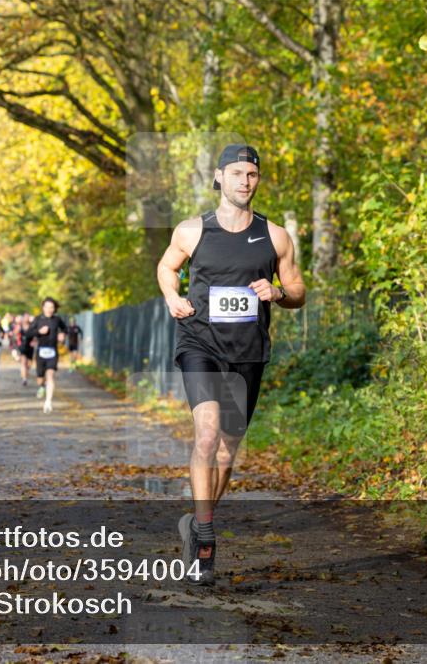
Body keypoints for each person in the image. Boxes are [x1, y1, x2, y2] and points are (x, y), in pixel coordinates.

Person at [157, 144, 305, 586]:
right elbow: (167, 267)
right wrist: (172, 297)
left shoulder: (275, 236)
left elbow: (297, 290)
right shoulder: (192, 230)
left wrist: (278, 294)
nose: (245, 180)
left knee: (226, 450)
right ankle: (205, 541)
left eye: (252, 174)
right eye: (237, 172)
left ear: (258, 180)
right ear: (219, 177)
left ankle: (197, 520)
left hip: (249, 352)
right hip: (200, 344)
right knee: (206, 432)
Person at [24, 297, 67, 413]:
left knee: (50, 375)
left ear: (54, 309)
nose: (49, 309)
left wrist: (62, 335)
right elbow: (28, 333)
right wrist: (39, 332)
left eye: (51, 307)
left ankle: (48, 402)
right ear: (43, 307)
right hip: (41, 352)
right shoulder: (38, 319)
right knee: (40, 378)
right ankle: (41, 386)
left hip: (53, 352)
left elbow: (65, 329)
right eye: (47, 307)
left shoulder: (57, 320)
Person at [18, 313, 34, 387]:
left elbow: (36, 335)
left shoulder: (32, 326)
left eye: (28, 317)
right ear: (23, 318)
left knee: (29, 364)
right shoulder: (19, 326)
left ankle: (26, 374)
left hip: (30, 347)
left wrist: (35, 341)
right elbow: (14, 335)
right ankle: (24, 379)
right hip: (22, 347)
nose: (26, 319)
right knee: (23, 363)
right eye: (25, 317)